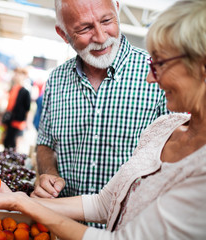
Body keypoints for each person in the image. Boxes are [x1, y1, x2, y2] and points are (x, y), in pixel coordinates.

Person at [0, 0, 206, 238]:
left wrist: (21, 203)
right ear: (63, 34)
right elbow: (105, 202)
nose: (150, 77)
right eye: (84, 28)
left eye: (160, 64)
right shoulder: (164, 129)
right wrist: (18, 199)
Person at [33, 0, 169, 227]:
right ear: (63, 34)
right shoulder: (57, 80)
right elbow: (45, 143)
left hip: (131, 229)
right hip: (63, 227)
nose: (100, 36)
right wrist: (48, 173)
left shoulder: (158, 74)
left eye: (106, 21)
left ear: (117, 8)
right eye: (85, 28)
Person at [3, 67, 31, 149]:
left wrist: (27, 123)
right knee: (6, 142)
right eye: (16, 74)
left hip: (18, 122)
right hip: (10, 120)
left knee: (13, 144)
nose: (16, 76)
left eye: (19, 74)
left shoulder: (25, 91)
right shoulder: (13, 88)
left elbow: (27, 108)